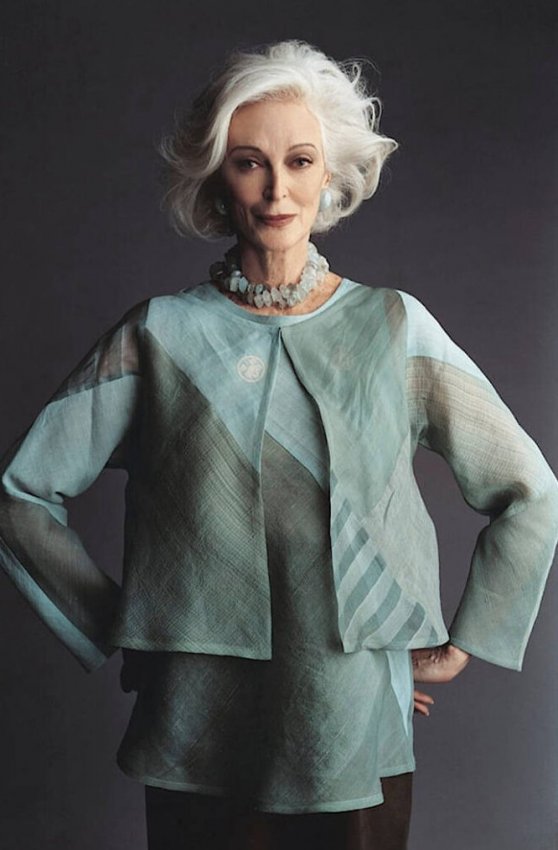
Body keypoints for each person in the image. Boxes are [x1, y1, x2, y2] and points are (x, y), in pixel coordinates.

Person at [0, 40, 557, 850]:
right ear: (215, 179)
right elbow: (21, 496)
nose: (276, 189)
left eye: (298, 161)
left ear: (329, 174)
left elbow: (529, 491)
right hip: (196, 718)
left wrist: (465, 642)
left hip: (351, 715)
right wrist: (127, 624)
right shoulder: (160, 335)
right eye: (249, 163)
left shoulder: (392, 327)